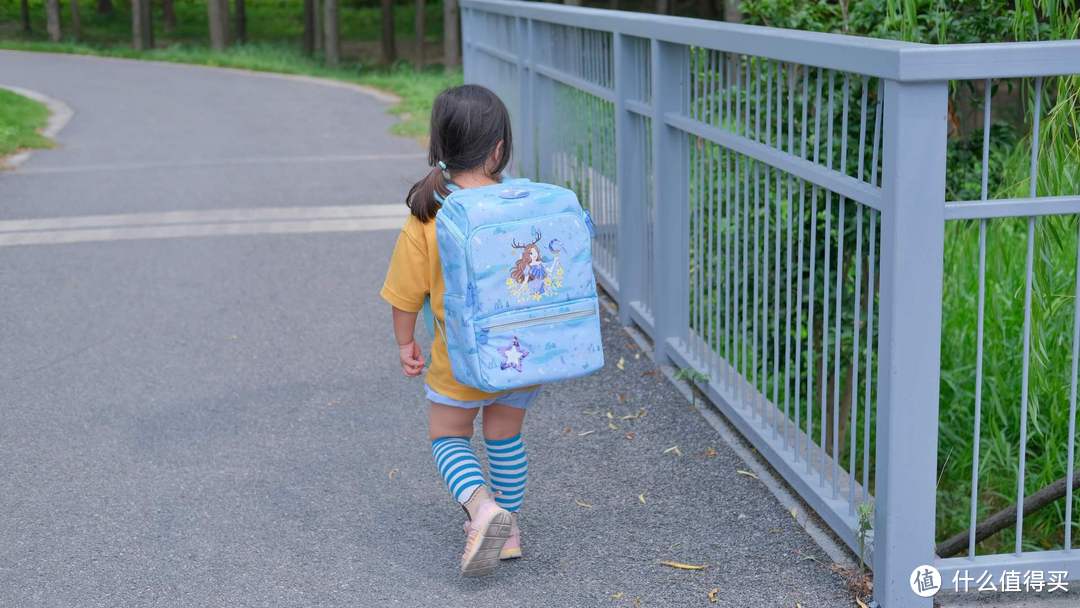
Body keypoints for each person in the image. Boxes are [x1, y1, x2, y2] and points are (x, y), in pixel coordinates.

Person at [380, 84, 533, 577]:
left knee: (448, 436)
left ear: (438, 146)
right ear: (499, 148)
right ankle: (508, 530)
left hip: (460, 358)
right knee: (505, 436)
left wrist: (405, 342)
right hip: (520, 354)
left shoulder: (428, 215)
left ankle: (483, 509)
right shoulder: (521, 203)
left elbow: (405, 293)